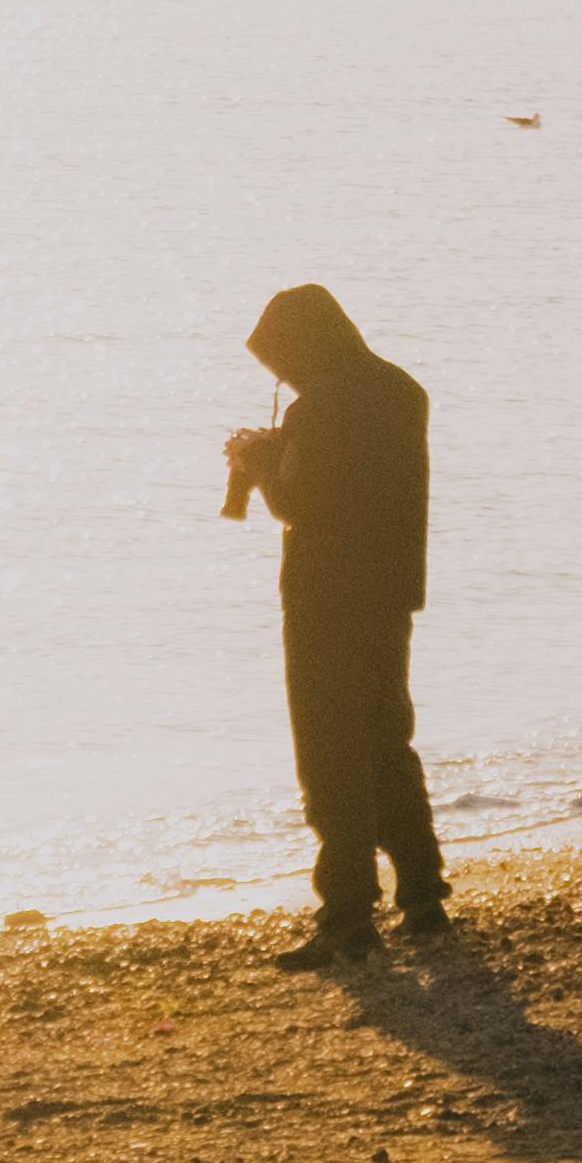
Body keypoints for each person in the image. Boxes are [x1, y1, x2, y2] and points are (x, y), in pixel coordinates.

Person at [221, 281, 449, 969]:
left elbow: (302, 507)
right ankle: (423, 897)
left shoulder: (319, 409)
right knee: (387, 740)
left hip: (325, 597)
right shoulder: (402, 391)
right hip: (389, 592)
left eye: (282, 359)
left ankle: (348, 914)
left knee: (330, 755)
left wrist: (260, 467)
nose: (281, 375)